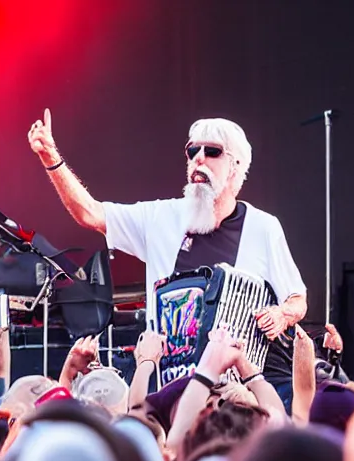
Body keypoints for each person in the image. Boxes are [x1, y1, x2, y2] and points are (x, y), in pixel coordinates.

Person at [28, 109, 307, 389]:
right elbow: (90, 214)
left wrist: (281, 315)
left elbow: (297, 299)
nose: (199, 158)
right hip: (168, 384)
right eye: (192, 150)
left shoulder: (263, 227)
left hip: (236, 389)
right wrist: (51, 157)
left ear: (235, 166)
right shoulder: (162, 217)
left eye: (212, 151)